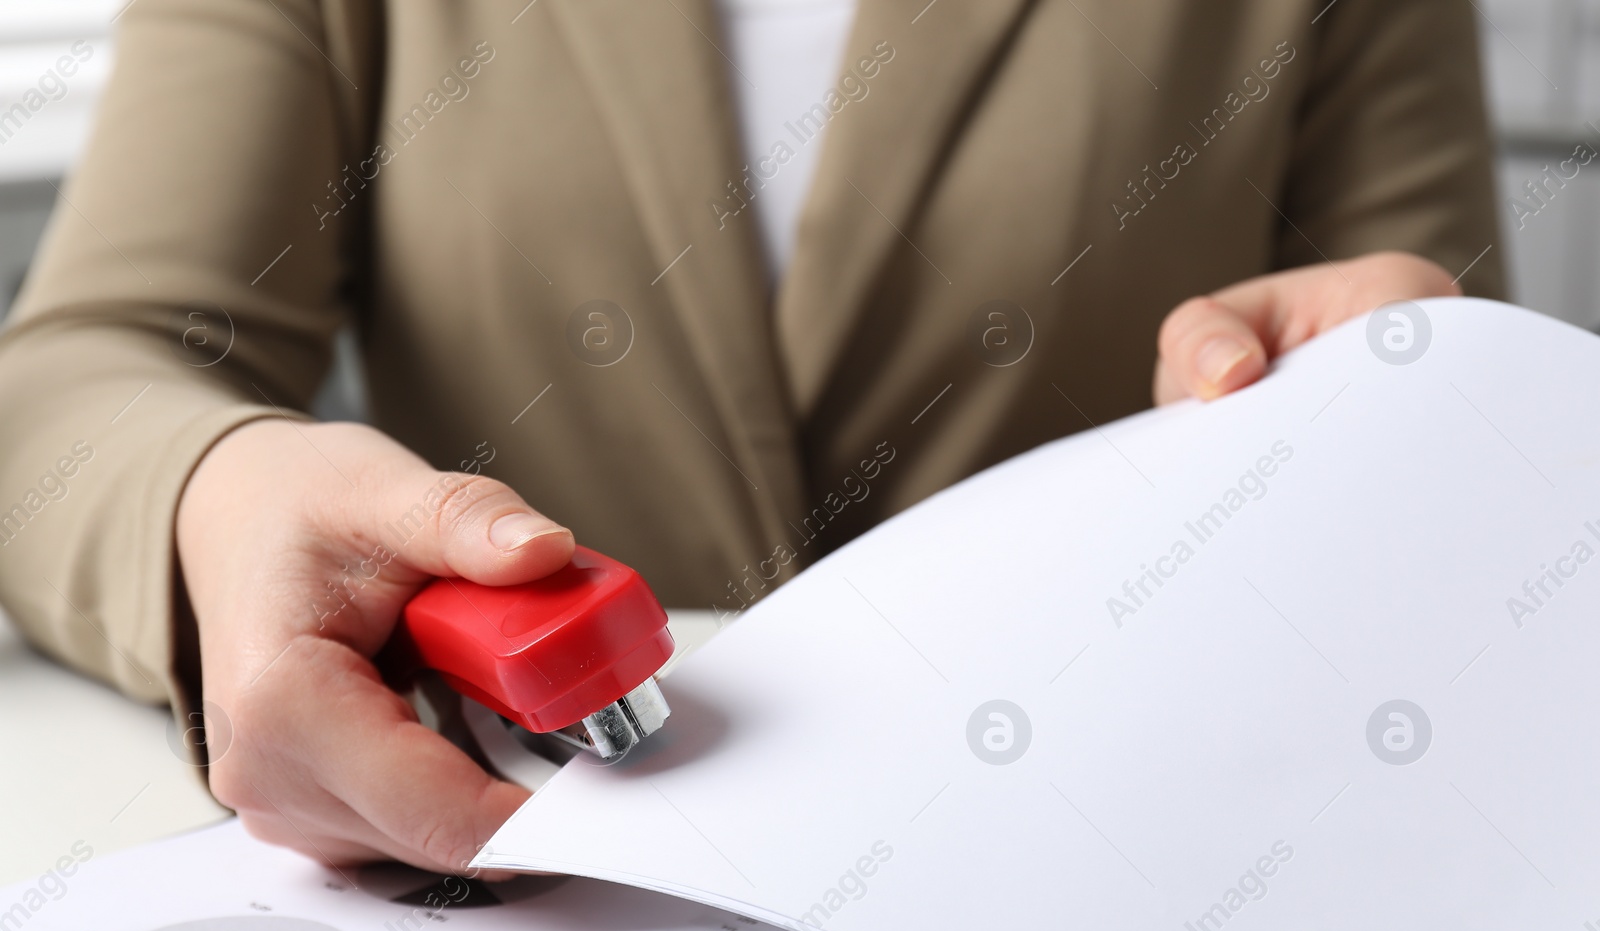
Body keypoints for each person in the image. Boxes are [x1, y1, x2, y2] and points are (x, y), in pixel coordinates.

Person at [0, 0, 1500, 874]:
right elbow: (80, 374)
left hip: (1139, 860)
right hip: (530, 888)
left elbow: (1457, 376)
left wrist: (1410, 400)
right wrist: (214, 499)